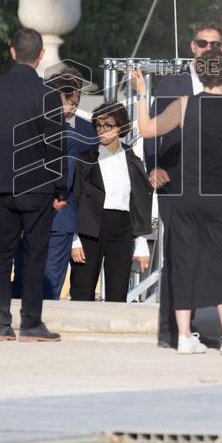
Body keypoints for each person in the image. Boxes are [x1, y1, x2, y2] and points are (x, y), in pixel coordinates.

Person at [133, 49, 222, 356]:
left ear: (198, 74)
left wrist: (141, 94)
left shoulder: (184, 105)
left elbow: (146, 130)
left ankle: (185, 336)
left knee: (184, 261)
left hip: (187, 194)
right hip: (221, 195)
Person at [143, 23, 222, 348]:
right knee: (178, 256)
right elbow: (153, 128)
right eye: (202, 42)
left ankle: (189, 326)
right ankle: (171, 331)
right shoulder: (172, 83)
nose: (208, 48)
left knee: (210, 256)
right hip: (174, 183)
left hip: (213, 188)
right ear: (192, 46)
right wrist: (153, 166)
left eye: (215, 44)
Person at [0, 27, 67, 342]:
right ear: (41, 55)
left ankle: (0, 323)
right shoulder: (47, 93)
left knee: (2, 254)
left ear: (12, 51)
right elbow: (55, 144)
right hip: (39, 184)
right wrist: (60, 187)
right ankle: (31, 322)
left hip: (3, 184)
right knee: (34, 254)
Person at [12, 66, 97, 300]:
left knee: (50, 285)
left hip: (61, 221)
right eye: (68, 94)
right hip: (28, 217)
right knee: (22, 279)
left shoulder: (89, 132)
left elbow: (89, 183)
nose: (74, 99)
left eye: (77, 93)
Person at [69, 101, 152, 302]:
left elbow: (139, 201)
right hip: (89, 230)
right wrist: (74, 239)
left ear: (120, 127)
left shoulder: (133, 160)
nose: (101, 130)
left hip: (122, 230)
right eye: (98, 125)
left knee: (117, 292)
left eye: (108, 125)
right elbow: (75, 198)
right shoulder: (85, 159)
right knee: (82, 290)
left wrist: (141, 242)